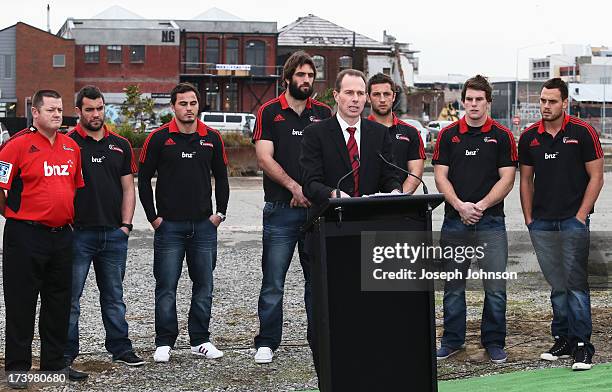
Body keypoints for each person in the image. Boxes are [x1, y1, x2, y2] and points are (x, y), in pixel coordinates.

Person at [138, 82, 229, 363]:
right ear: (173, 106)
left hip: (204, 226)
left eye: (192, 103)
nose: (188, 109)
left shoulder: (212, 138)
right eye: (182, 104)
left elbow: (222, 178)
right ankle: (164, 342)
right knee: (166, 285)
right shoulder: (158, 138)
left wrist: (220, 214)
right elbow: (142, 180)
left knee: (204, 285)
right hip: (169, 228)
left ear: (198, 105)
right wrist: (153, 218)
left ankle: (200, 340)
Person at [0, 90, 84, 389]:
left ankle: (53, 364)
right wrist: (13, 213)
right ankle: (18, 368)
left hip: (61, 236)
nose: (58, 115)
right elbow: (0, 185)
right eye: (50, 110)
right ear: (35, 113)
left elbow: (75, 187)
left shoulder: (71, 147)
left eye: (60, 109)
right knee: (21, 304)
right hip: (25, 236)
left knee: (58, 303)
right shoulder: (16, 146)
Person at [251, 51, 332, 364]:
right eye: (300, 75)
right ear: (287, 79)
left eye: (310, 76)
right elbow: (264, 158)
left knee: (319, 280)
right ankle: (267, 342)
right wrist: (294, 187)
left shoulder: (324, 113)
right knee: (273, 281)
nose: (306, 81)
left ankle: (320, 339)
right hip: (280, 210)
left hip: (316, 211)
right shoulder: (270, 112)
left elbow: (330, 157)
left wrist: (313, 191)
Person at [518, 78, 604, 371]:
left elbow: (596, 177)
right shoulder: (529, 137)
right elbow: (525, 180)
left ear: (564, 102)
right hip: (542, 223)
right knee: (557, 286)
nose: (545, 106)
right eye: (542, 101)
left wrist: (581, 215)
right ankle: (563, 339)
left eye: (552, 101)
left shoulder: (583, 133)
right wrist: (529, 218)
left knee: (576, 285)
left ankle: (582, 346)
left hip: (572, 222)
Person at [432, 75, 517, 364]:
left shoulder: (503, 136)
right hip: (455, 222)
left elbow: (508, 179)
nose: (473, 104)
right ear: (462, 102)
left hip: (491, 222)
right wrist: (459, 205)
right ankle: (452, 341)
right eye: (469, 99)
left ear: (488, 102)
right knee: (454, 286)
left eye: (479, 99)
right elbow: (440, 176)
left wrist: (479, 206)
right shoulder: (448, 135)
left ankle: (494, 342)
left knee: (495, 287)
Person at [63, 86, 144, 379]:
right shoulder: (67, 143)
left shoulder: (120, 144)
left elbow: (127, 188)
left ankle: (121, 348)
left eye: (99, 108)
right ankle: (66, 354)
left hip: (113, 234)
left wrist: (125, 226)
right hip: (78, 235)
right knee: (71, 298)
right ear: (78, 111)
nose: (96, 114)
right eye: (89, 109)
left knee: (114, 296)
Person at [300, 69, 401, 204]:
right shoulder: (315, 133)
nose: (355, 99)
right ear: (336, 95)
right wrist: (333, 194)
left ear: (366, 97)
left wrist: (395, 191)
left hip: (370, 218)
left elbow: (389, 176)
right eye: (349, 93)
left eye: (360, 93)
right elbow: (310, 183)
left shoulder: (380, 133)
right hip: (332, 217)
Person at [366, 73, 426, 194]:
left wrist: (397, 198)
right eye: (376, 94)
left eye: (386, 94)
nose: (382, 99)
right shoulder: (357, 131)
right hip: (364, 204)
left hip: (400, 205)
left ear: (393, 96)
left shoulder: (411, 132)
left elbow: (415, 172)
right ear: (368, 97)